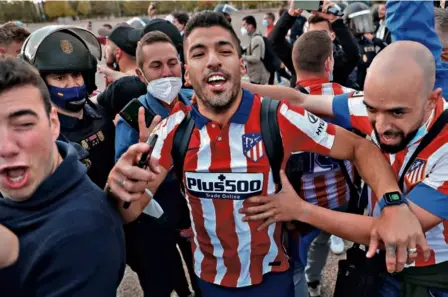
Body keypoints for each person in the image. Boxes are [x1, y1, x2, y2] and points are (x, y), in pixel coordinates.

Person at [108, 11, 423, 297]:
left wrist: (393, 202)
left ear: (240, 64)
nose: (213, 60)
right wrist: (116, 186)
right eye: (199, 53)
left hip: (273, 282)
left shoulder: (279, 117)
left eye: (224, 50)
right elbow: (128, 210)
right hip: (209, 283)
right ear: (187, 72)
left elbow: (358, 147)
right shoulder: (172, 128)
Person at [242, 40, 448, 297]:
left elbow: (391, 234)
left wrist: (300, 210)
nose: (381, 127)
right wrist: (241, 87)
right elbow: (300, 99)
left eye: (397, 113)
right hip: (380, 264)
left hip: (426, 277)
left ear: (431, 101)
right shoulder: (370, 103)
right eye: (372, 109)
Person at [0, 56, 125, 297]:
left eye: (24, 124)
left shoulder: (84, 233)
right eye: (60, 78)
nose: (5, 147)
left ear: (53, 124)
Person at [114, 31, 197, 297]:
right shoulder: (133, 116)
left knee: (204, 279)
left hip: (197, 215)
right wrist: (142, 151)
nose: (166, 73)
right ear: (141, 74)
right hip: (155, 220)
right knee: (161, 283)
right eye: (156, 66)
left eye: (172, 63)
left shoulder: (196, 101)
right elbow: (124, 182)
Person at [291, 30, 356, 297]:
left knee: (294, 264)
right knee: (324, 239)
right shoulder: (351, 98)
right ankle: (315, 280)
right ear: (329, 63)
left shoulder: (279, 104)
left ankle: (310, 284)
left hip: (301, 203)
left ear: (295, 65)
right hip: (341, 195)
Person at [21, 26, 115, 189]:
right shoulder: (44, 137)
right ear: (41, 84)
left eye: (77, 75)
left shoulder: (100, 114)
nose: (72, 84)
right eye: (60, 77)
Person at [269, 1, 359, 89]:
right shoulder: (298, 58)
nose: (316, 38)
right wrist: (291, 14)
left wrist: (335, 20)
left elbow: (352, 54)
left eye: (322, 33)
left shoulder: (338, 62)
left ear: (332, 35)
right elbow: (275, 41)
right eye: (312, 33)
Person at [97, 24, 147, 118]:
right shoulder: (148, 78)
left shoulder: (120, 88)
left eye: (108, 45)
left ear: (118, 52)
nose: (105, 48)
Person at [241, 15, 270, 85]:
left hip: (257, 76)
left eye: (244, 25)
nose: (242, 28)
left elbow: (256, 58)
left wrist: (242, 57)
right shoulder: (254, 37)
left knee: (258, 95)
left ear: (250, 26)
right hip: (255, 74)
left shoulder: (256, 39)